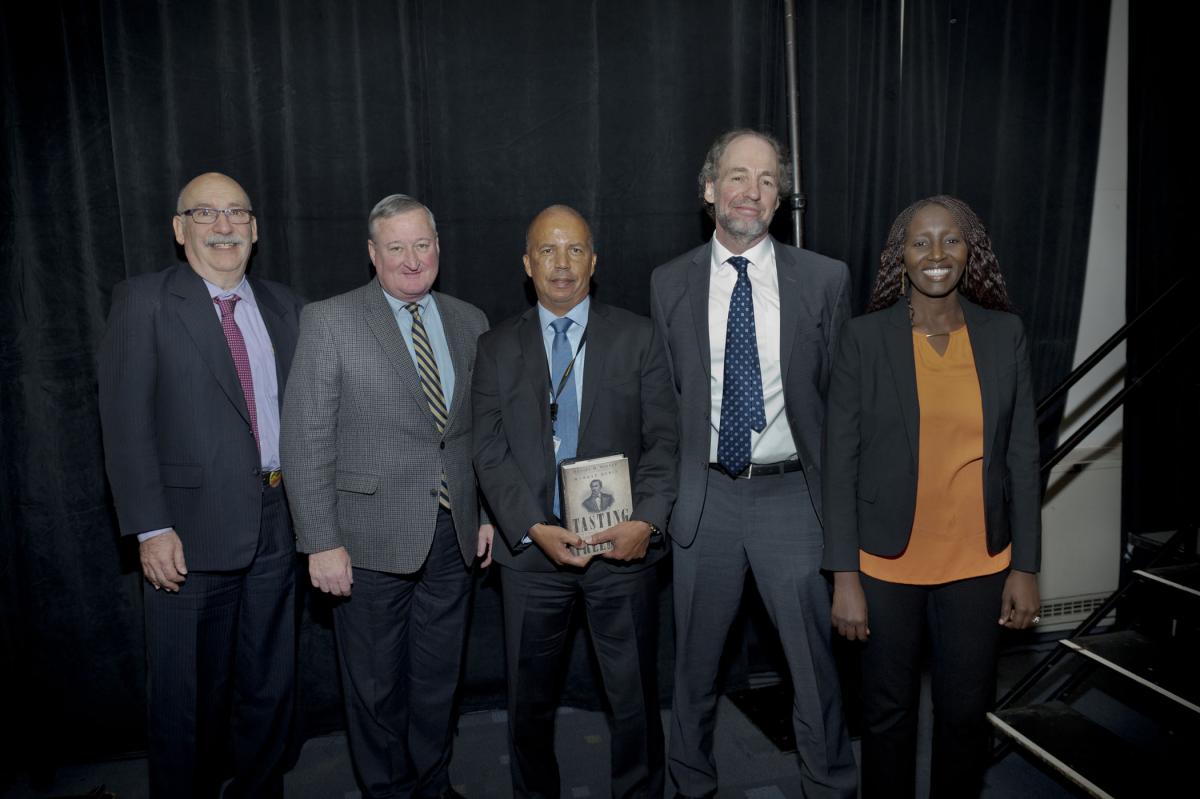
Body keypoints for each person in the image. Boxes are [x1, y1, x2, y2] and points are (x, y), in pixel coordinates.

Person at [650, 130, 857, 798]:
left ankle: (827, 784)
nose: (753, 191)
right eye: (738, 176)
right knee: (694, 669)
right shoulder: (668, 281)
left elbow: (841, 404)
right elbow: (663, 402)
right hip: (704, 500)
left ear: (780, 197)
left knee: (812, 664)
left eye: (768, 180)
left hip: (791, 497)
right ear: (709, 190)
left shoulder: (825, 280)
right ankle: (691, 785)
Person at [823, 195, 1041, 797]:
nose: (937, 255)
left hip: (980, 564)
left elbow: (1022, 456)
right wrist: (844, 576)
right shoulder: (864, 340)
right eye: (921, 242)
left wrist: (1025, 565)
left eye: (951, 240)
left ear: (971, 253)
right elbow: (839, 466)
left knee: (966, 715)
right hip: (886, 566)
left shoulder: (1005, 334)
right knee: (888, 716)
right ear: (902, 256)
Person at [280, 194, 492, 799]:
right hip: (366, 542)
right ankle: (387, 791)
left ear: (438, 248)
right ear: (373, 255)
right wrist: (320, 542)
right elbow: (304, 437)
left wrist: (484, 515)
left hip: (452, 536)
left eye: (421, 244)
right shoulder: (330, 320)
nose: (410, 259)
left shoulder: (468, 320)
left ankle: (431, 782)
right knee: (374, 688)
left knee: (436, 681)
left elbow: (473, 429)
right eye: (395, 247)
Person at [98, 172, 303, 798]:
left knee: (270, 684)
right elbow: (125, 424)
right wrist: (151, 528)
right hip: (186, 533)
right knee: (186, 696)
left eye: (237, 213)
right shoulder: (144, 301)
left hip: (279, 518)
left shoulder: (284, 305)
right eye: (206, 213)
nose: (224, 226)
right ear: (179, 228)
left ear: (256, 230)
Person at [472, 205, 677, 798]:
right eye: (547, 251)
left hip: (623, 552)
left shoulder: (639, 336)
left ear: (594, 260)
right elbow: (486, 451)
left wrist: (648, 520)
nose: (561, 264)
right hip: (532, 558)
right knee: (528, 707)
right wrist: (532, 527)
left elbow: (666, 440)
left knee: (635, 703)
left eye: (574, 250)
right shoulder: (495, 347)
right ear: (526, 264)